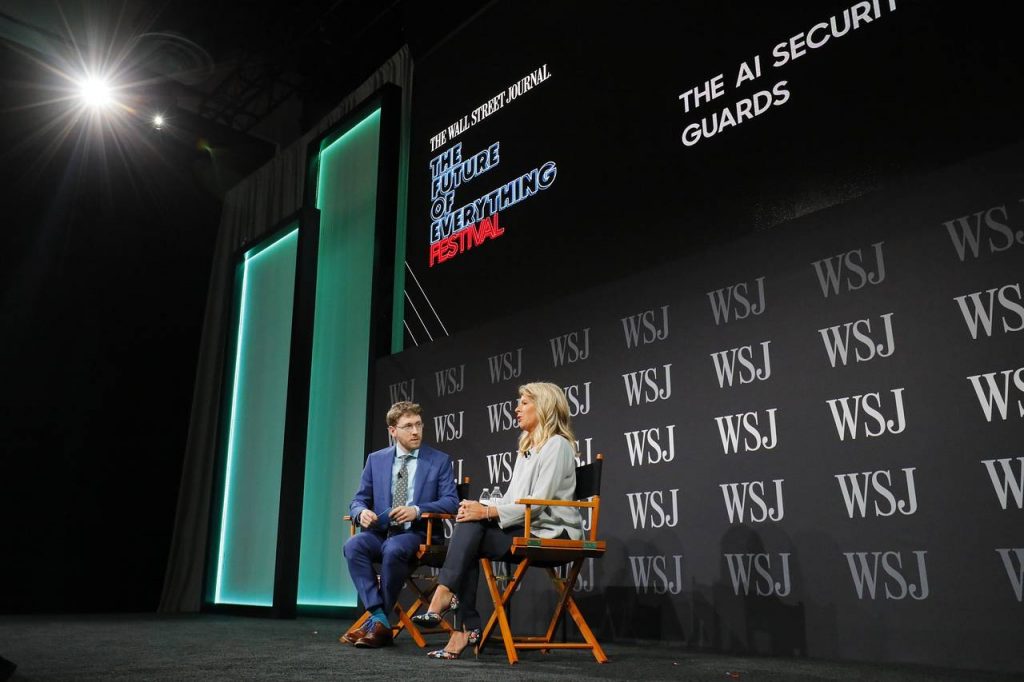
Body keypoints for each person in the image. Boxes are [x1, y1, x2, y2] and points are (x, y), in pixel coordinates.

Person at [412, 382, 583, 660]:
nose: (516, 409)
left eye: (524, 403)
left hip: (554, 534)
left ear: (544, 406)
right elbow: (513, 498)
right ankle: (460, 616)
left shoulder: (558, 446)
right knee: (470, 523)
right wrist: (480, 506)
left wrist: (488, 513)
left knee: (473, 527)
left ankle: (456, 612)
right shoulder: (527, 448)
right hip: (530, 526)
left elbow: (538, 504)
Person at [339, 401, 460, 648]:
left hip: (417, 534)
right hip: (381, 532)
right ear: (393, 431)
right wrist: (361, 513)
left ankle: (375, 624)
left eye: (418, 424)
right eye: (407, 426)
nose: (415, 431)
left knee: (392, 549)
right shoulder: (376, 460)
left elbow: (451, 502)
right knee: (353, 546)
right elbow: (359, 499)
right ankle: (380, 619)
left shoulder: (438, 460)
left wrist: (417, 511)